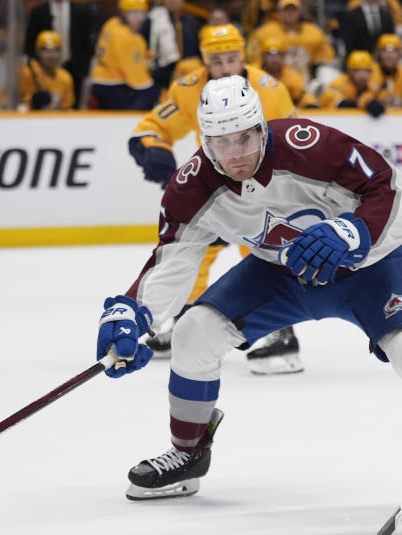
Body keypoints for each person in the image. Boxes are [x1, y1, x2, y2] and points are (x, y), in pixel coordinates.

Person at [96, 75, 402, 519]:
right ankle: (188, 452)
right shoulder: (193, 185)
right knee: (193, 333)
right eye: (221, 143)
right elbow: (174, 258)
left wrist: (353, 230)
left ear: (262, 128)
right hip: (280, 275)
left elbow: (391, 191)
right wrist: (134, 312)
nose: (236, 153)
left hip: (367, 268)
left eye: (244, 138)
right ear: (204, 141)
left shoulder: (310, 144)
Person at [129, 24, 305, 375]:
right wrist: (155, 150)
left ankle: (279, 331)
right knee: (192, 248)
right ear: (205, 60)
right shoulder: (189, 88)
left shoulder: (270, 91)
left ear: (244, 56)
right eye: (217, 61)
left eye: (232, 59)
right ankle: (186, 320)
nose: (225, 68)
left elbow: (291, 143)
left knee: (266, 252)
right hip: (215, 187)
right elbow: (154, 127)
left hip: (263, 189)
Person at [25, 0, 99, 108]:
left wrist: (81, 66)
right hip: (42, 71)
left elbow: (86, 44)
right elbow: (30, 42)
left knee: (71, 105)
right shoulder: (38, 11)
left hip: (74, 69)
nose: (52, 54)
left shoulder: (80, 11)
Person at [89, 0, 159, 110]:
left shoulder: (112, 23)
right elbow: (137, 80)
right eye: (134, 13)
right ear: (123, 13)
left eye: (142, 13)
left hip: (99, 82)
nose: (140, 18)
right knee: (150, 97)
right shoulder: (126, 37)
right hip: (114, 86)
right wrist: (155, 91)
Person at [318, 50, 387, 117]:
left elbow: (383, 99)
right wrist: (364, 104)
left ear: (371, 72)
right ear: (350, 71)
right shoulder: (338, 84)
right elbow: (338, 103)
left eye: (366, 71)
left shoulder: (372, 86)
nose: (362, 75)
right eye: (357, 70)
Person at [18, 30, 75, 111]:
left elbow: (68, 108)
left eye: (56, 50)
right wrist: (32, 100)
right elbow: (11, 103)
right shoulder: (26, 72)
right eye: (46, 50)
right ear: (38, 51)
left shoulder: (65, 77)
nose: (51, 55)